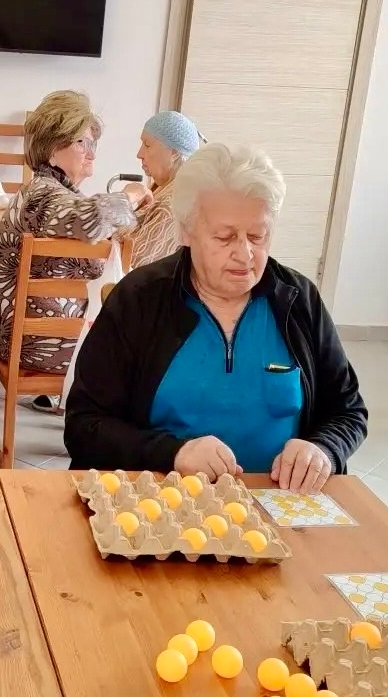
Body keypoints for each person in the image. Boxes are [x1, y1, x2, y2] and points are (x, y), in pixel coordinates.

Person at [64, 143, 367, 492]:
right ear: (186, 232)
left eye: (257, 236)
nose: (245, 254)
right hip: (162, 500)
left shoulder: (298, 301)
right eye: (225, 237)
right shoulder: (140, 300)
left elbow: (348, 409)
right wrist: (173, 453)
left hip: (277, 499)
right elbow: (85, 427)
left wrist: (323, 449)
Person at [0, 90, 142, 392]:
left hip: (33, 336)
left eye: (93, 144)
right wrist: (130, 197)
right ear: (52, 149)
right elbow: (90, 218)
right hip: (39, 342)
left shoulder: (49, 191)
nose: (91, 153)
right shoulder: (45, 196)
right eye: (82, 143)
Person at [126, 110, 202, 268]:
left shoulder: (171, 207)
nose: (139, 154)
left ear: (174, 152)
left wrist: (124, 202)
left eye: (147, 145)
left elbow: (131, 266)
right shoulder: (160, 190)